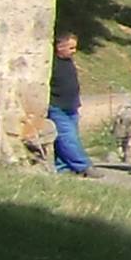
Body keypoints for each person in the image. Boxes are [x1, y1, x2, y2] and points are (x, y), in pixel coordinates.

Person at [45, 34, 93, 175]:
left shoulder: (69, 62)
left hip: (71, 106)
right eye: (71, 48)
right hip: (57, 106)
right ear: (60, 47)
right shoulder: (52, 63)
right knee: (67, 137)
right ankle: (83, 166)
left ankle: (63, 167)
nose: (74, 51)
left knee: (67, 139)